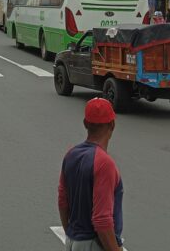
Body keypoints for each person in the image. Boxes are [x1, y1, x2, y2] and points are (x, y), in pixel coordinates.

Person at [58, 98, 123, 251]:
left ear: (85, 123)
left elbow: (62, 201)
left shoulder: (71, 155)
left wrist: (71, 235)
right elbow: (102, 220)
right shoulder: (104, 163)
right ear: (112, 125)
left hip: (74, 242)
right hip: (94, 244)